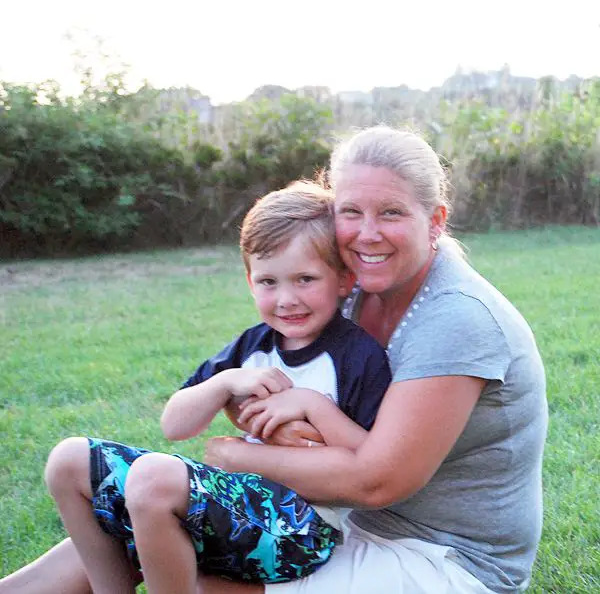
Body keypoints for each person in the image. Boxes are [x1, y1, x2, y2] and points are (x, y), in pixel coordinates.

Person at [0, 126, 548, 594]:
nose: (367, 233)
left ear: (436, 220)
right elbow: (266, 386)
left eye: (392, 213)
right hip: (327, 510)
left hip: (442, 559)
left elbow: (376, 481)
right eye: (350, 212)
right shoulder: (348, 287)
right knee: (133, 522)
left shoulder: (459, 318)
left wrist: (230, 453)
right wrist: (264, 412)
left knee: (181, 561)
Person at [35, 181, 392, 594]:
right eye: (269, 282)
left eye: (305, 279)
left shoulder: (356, 354)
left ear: (345, 279)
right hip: (236, 503)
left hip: (304, 527)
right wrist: (224, 382)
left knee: (154, 477)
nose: (286, 299)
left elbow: (370, 459)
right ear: (249, 281)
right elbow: (175, 425)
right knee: (69, 460)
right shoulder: (252, 346)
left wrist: (312, 405)